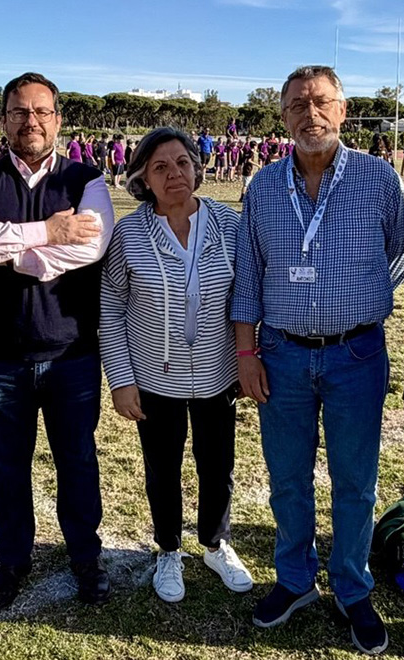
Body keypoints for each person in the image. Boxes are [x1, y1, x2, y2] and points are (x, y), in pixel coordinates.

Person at [233, 65, 404, 656]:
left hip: (356, 354)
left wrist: (365, 298)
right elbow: (248, 275)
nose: (309, 113)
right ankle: (294, 580)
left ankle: (352, 588)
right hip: (281, 354)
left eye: (321, 102)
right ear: (283, 116)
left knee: (355, 482)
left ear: (342, 110)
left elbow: (403, 250)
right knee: (287, 477)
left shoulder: (378, 178)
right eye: (296, 104)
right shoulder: (263, 186)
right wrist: (246, 352)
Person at [0, 71, 114, 610]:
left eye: (41, 111)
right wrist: (45, 233)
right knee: (7, 467)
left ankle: (85, 556)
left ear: (58, 120)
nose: (30, 121)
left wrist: (2, 249)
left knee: (77, 462)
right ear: (3, 120)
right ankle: (12, 560)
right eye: (19, 111)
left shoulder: (85, 179)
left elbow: (90, 247)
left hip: (70, 356)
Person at [100, 127, 254, 604]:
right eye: (160, 167)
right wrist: (121, 380)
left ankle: (215, 543)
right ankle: (168, 549)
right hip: (154, 375)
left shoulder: (228, 224)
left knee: (218, 464)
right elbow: (111, 307)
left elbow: (248, 295)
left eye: (182, 162)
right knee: (162, 468)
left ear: (197, 167)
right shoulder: (129, 233)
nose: (174, 174)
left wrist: (247, 359)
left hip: (217, 374)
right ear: (142, 179)